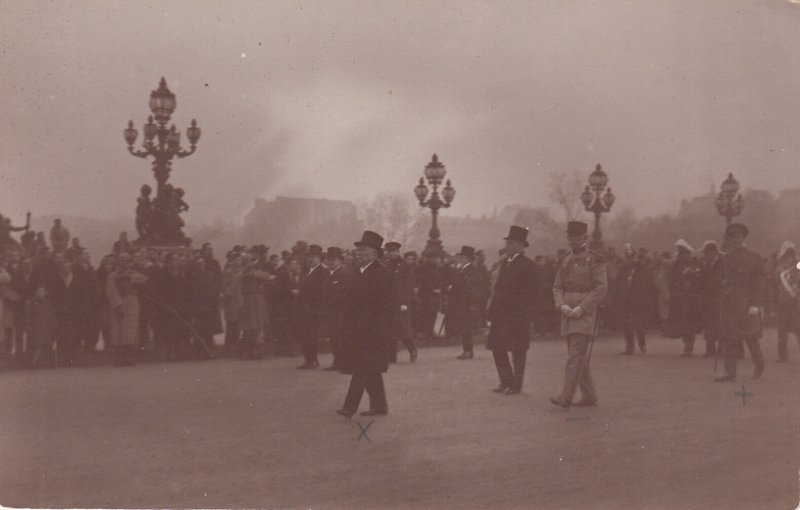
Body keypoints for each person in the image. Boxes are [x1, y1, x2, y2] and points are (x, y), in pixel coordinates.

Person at [337, 231, 396, 418]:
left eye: (363, 250)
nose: (359, 253)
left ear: (374, 253)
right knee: (371, 369)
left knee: (362, 368)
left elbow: (383, 304)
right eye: (358, 250)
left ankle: (349, 407)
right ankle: (380, 406)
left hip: (372, 330)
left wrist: (375, 326)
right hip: (361, 329)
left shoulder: (381, 274)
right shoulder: (361, 271)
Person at [549, 221, 607, 408]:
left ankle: (566, 396)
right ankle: (590, 394)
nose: (572, 240)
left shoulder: (595, 259)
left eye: (576, 236)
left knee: (575, 355)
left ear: (585, 237)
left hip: (585, 313)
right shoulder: (565, 260)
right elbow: (557, 286)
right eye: (570, 236)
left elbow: (600, 287)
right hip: (567, 312)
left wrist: (583, 308)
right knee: (578, 355)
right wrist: (561, 305)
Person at [486, 225, 537, 395]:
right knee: (497, 347)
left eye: (512, 243)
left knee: (518, 350)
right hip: (501, 313)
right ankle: (506, 380)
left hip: (517, 314)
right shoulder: (504, 263)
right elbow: (498, 288)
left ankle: (516, 385)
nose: (508, 245)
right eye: (507, 242)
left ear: (522, 245)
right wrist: (491, 311)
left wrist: (523, 313)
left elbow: (530, 293)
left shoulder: (528, 265)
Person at [715, 223, 765, 382]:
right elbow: (720, 280)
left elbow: (758, 283)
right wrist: (722, 292)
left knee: (751, 338)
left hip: (746, 306)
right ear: (730, 239)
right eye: (733, 237)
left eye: (739, 236)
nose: (736, 239)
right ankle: (730, 373)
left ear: (744, 238)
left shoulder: (754, 258)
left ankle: (759, 365)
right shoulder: (724, 259)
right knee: (729, 339)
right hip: (730, 305)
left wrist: (756, 304)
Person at [106, 253, 147, 367]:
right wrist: (118, 305)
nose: (125, 263)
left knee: (131, 331)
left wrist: (129, 277)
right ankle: (119, 358)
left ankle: (130, 357)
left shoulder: (134, 274)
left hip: (132, 302)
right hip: (119, 303)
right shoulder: (112, 276)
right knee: (118, 331)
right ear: (119, 262)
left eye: (128, 261)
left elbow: (144, 279)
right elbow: (111, 291)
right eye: (122, 261)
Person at [615, 245, 656, 355]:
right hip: (628, 299)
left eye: (632, 257)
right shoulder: (627, 269)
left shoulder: (641, 269)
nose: (630, 259)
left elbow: (647, 285)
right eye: (628, 257)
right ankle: (631, 347)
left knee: (638, 324)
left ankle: (641, 346)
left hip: (637, 300)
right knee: (629, 324)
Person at [382, 242, 418, 362]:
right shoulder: (385, 265)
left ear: (398, 252)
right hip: (388, 302)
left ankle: (412, 349)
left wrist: (404, 302)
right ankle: (391, 356)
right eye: (389, 251)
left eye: (393, 251)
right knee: (389, 330)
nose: (391, 253)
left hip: (400, 302)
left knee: (403, 328)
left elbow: (408, 285)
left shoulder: (404, 266)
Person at [666, 239, 703, 356]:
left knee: (687, 322)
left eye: (680, 250)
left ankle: (688, 347)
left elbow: (690, 277)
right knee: (685, 322)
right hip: (680, 295)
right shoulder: (680, 261)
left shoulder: (687, 261)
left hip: (687, 296)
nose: (678, 252)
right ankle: (687, 346)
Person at [321, 247, 352, 371]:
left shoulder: (344, 274)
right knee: (334, 337)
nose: (331, 262)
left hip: (341, 311)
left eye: (334, 260)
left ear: (340, 261)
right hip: (331, 312)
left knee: (341, 337)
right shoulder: (329, 275)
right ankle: (338, 361)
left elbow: (348, 293)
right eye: (329, 260)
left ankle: (343, 362)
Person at [296, 245, 327, 369]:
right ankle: (308, 359)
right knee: (305, 334)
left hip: (314, 308)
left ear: (319, 258)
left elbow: (321, 291)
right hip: (304, 308)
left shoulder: (323, 272)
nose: (310, 260)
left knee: (312, 335)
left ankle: (313, 359)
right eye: (309, 257)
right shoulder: (306, 272)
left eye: (313, 257)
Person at [447, 245, 480, 359]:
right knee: (464, 327)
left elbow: (471, 288)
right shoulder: (464, 269)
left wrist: (471, 304)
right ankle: (467, 350)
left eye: (462, 256)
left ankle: (468, 351)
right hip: (462, 303)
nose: (460, 258)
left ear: (467, 258)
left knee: (466, 327)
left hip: (466, 303)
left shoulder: (471, 270)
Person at [775, 241, 800, 362]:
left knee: (798, 329)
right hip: (782, 303)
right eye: (787, 254)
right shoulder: (779, 267)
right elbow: (775, 285)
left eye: (791, 254)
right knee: (782, 330)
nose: (789, 257)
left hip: (796, 303)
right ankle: (782, 355)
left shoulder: (798, 265)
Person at [698, 241, 724, 357]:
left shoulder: (722, 264)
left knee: (720, 323)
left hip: (719, 298)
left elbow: (718, 281)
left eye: (706, 253)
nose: (705, 256)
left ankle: (721, 349)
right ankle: (710, 350)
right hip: (708, 299)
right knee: (709, 324)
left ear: (713, 253)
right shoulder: (706, 265)